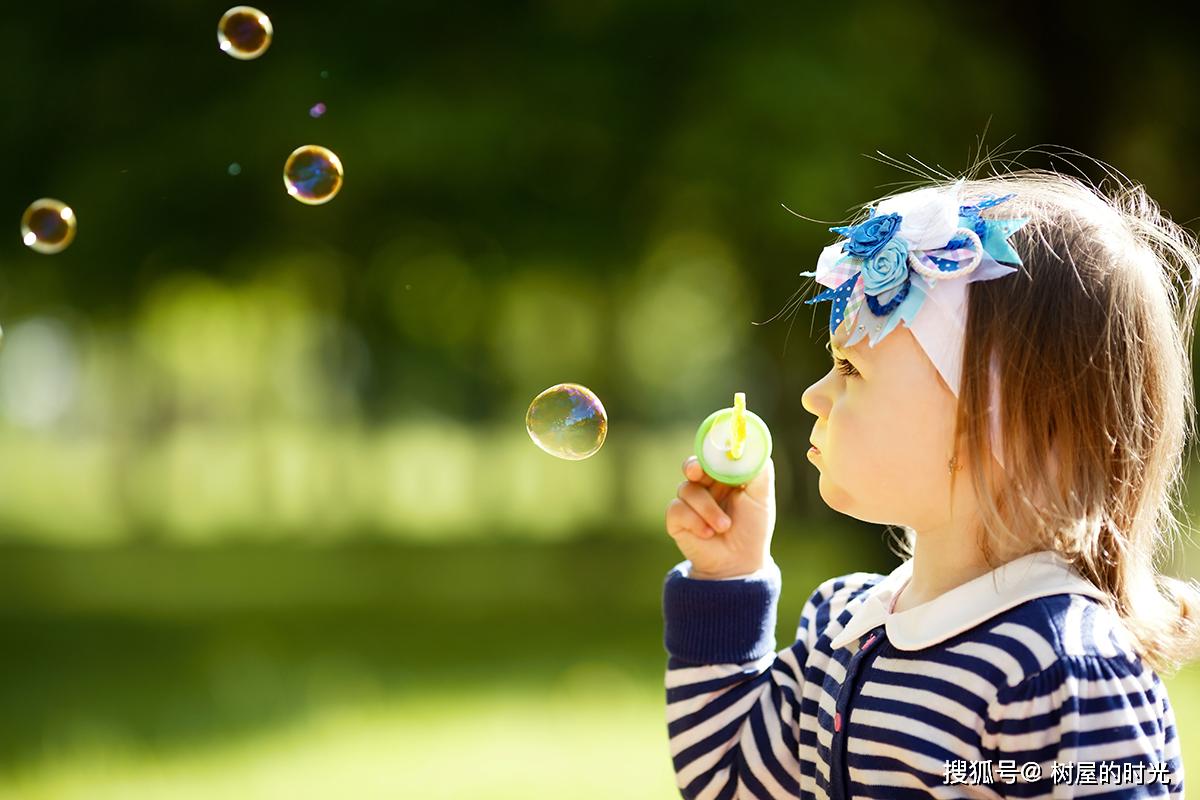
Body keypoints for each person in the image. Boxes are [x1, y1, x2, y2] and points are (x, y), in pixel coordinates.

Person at [662, 166, 1200, 798]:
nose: (814, 395)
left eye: (849, 368)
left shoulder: (1060, 673)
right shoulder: (844, 628)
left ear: (1001, 423)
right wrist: (729, 577)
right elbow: (729, 777)